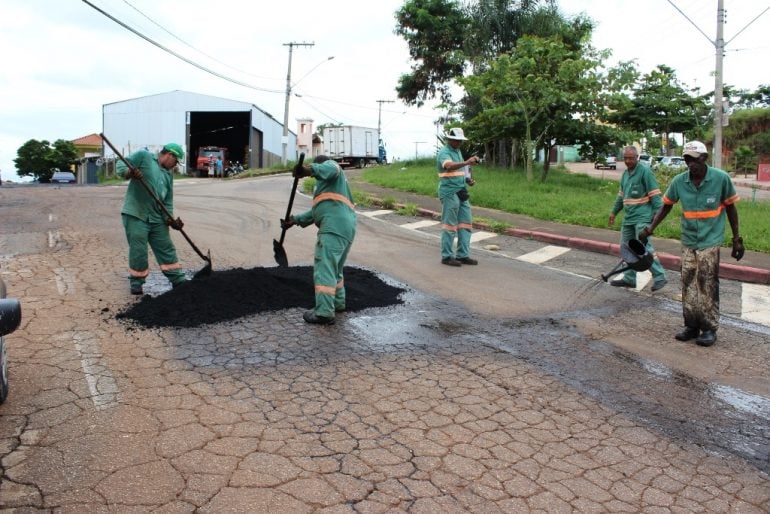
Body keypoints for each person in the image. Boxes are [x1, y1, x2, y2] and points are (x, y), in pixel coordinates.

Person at [640, 141, 744, 347]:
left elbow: (731, 208)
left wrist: (736, 239)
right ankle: (691, 325)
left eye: (694, 159)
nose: (690, 164)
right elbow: (666, 207)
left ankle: (709, 328)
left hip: (710, 240)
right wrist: (650, 229)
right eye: (687, 159)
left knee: (707, 283)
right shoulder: (680, 181)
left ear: (704, 158)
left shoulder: (720, 179)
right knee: (688, 283)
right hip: (689, 240)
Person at [281, 155, 357, 325]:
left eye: (316, 169)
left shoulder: (332, 167)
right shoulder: (328, 187)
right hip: (345, 227)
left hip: (334, 227)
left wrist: (309, 170)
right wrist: (294, 220)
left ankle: (324, 312)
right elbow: (316, 212)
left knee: (324, 267)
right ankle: (338, 303)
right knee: (335, 268)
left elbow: (332, 168)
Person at [116, 143, 188, 295]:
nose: (175, 165)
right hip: (136, 213)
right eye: (176, 162)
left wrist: (170, 219)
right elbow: (121, 163)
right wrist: (130, 172)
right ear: (170, 155)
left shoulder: (168, 175)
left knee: (166, 247)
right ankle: (137, 282)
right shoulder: (144, 156)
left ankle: (177, 279)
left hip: (157, 218)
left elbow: (167, 200)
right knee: (139, 250)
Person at [608, 146, 667, 291]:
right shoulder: (625, 175)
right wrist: (614, 212)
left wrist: (655, 219)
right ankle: (629, 278)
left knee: (644, 249)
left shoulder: (645, 172)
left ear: (637, 157)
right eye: (626, 158)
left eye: (631, 158)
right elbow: (621, 197)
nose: (628, 161)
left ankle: (660, 277)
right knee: (626, 249)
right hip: (628, 218)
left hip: (642, 218)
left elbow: (656, 197)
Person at [436, 127, 480, 266]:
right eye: (457, 140)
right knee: (450, 225)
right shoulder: (444, 152)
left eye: (460, 140)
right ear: (450, 139)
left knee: (465, 223)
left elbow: (461, 170)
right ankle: (447, 256)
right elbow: (449, 166)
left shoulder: (458, 151)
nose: (459, 143)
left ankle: (462, 255)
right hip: (449, 192)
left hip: (461, 190)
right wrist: (467, 162)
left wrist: (468, 180)